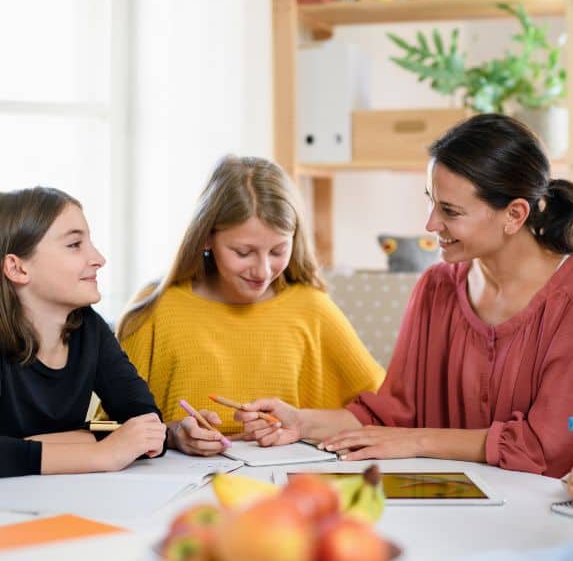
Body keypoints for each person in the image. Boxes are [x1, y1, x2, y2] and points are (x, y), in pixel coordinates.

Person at [237, 114, 573, 478]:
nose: (431, 223)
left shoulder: (566, 303)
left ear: (515, 214)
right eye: (432, 202)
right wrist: (300, 422)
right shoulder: (436, 289)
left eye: (450, 211)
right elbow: (389, 415)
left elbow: (546, 446)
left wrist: (417, 441)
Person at [117, 155, 384, 457]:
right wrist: (172, 435)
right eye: (243, 252)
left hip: (287, 487)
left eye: (278, 250)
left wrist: (298, 423)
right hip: (177, 488)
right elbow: (109, 429)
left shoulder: (313, 309)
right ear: (206, 238)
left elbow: (386, 411)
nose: (263, 271)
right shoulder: (156, 309)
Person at [0, 187, 166, 478]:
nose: (99, 258)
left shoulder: (90, 328)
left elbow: (145, 426)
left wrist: (21, 450)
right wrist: (102, 453)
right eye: (75, 244)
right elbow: (120, 443)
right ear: (17, 268)